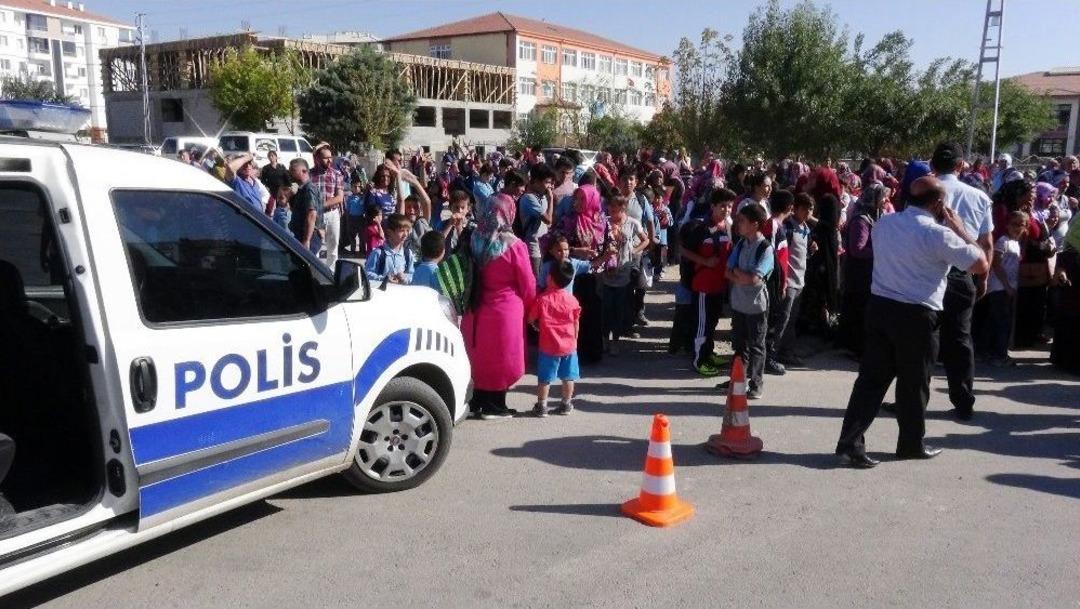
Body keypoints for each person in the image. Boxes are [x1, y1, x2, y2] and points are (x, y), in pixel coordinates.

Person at [835, 176, 989, 468]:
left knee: (870, 380)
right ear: (938, 204)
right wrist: (960, 228)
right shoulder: (937, 234)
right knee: (914, 382)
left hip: (881, 307)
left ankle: (849, 442)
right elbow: (981, 263)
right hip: (917, 314)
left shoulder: (885, 224)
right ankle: (910, 443)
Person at [462, 193, 537, 420]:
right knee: (503, 358)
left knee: (479, 356)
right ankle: (496, 405)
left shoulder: (473, 237)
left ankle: (478, 401)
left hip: (475, 307)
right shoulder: (514, 245)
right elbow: (527, 282)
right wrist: (533, 307)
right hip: (506, 309)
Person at [934, 142, 994, 421]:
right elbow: (987, 243)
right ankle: (963, 401)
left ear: (934, 165)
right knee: (960, 339)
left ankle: (911, 398)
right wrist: (983, 276)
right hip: (963, 272)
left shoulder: (924, 190)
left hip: (928, 272)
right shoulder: (978, 196)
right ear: (960, 166)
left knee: (923, 340)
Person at [681, 188, 735, 376]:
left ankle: (708, 353)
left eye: (729, 206)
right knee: (702, 324)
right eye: (723, 206)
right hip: (703, 286)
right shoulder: (701, 228)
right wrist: (705, 262)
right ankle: (699, 360)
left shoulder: (728, 227)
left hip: (719, 285)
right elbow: (684, 251)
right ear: (713, 206)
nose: (726, 210)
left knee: (712, 322)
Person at [725, 204, 774, 399]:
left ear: (755, 224)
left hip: (756, 307)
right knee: (739, 345)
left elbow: (754, 280)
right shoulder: (740, 244)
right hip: (738, 304)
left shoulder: (765, 248)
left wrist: (738, 274)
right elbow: (727, 271)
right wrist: (740, 275)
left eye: (743, 221)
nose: (739, 225)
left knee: (756, 346)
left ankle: (756, 383)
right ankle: (737, 380)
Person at [560, 184, 610, 363]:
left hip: (596, 274)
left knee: (594, 313)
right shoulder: (568, 220)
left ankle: (593, 353)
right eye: (576, 198)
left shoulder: (602, 221)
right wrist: (574, 250)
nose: (578, 202)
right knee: (576, 314)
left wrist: (609, 257)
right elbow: (555, 242)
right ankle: (574, 353)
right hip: (575, 275)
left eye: (583, 199)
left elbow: (609, 245)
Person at [837, 182, 887, 356]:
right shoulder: (861, 220)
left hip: (869, 272)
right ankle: (856, 348)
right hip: (859, 274)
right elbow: (857, 249)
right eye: (883, 197)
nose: (885, 200)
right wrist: (881, 253)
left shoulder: (875, 216)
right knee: (859, 309)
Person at [527, 260, 582, 417]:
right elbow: (576, 322)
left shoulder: (542, 300)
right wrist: (575, 340)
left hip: (548, 346)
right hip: (569, 346)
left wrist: (536, 326)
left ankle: (542, 406)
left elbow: (531, 319)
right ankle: (566, 404)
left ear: (549, 278)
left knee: (545, 378)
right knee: (568, 377)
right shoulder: (572, 300)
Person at [600, 196, 649, 356]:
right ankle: (604, 340)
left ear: (623, 209)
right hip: (606, 274)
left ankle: (615, 342)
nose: (612, 213)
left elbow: (645, 240)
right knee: (606, 310)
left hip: (623, 275)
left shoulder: (633, 223)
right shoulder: (604, 222)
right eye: (610, 209)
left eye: (616, 210)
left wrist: (634, 251)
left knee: (619, 310)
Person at [983, 211, 1026, 366]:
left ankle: (995, 352)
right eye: (1014, 224)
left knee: (1002, 321)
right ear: (1007, 225)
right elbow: (997, 264)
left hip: (1009, 287)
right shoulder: (1003, 241)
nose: (1018, 228)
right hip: (999, 287)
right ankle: (998, 355)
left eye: (1021, 225)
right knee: (1001, 321)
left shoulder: (1016, 243)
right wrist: (1007, 285)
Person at [776, 193, 814, 366]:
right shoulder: (788, 229)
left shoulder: (806, 229)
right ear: (795, 209)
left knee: (792, 319)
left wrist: (812, 248)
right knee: (784, 319)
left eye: (811, 209)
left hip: (800, 281)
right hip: (788, 282)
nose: (808, 213)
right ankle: (774, 353)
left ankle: (786, 352)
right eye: (805, 209)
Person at [763, 189, 795, 374]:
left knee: (774, 320)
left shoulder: (778, 226)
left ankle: (768, 357)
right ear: (790, 207)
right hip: (772, 283)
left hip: (779, 281)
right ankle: (767, 358)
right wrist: (778, 283)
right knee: (771, 321)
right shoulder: (773, 225)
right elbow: (770, 256)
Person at [1050, 211, 1080, 373]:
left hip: (1071, 263)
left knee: (1070, 315)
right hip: (1074, 265)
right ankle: (1070, 361)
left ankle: (1065, 359)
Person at [517, 164, 557, 278]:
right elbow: (548, 220)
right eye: (547, 182)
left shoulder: (542, 196)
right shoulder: (529, 198)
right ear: (535, 181)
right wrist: (551, 199)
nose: (549, 187)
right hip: (533, 248)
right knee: (536, 280)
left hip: (543, 247)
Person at [311, 145, 345, 268]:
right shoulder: (310, 175)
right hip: (315, 215)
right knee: (315, 246)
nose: (330, 160)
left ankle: (331, 273)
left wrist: (321, 204)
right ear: (318, 159)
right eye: (326, 158)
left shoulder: (337, 174)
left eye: (331, 157)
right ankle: (314, 273)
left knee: (333, 245)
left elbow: (339, 197)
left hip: (332, 214)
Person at [364, 213, 414, 285]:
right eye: (402, 231)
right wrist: (384, 279)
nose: (405, 234)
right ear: (390, 232)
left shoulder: (408, 254)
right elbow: (367, 274)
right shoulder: (378, 253)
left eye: (407, 230)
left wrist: (405, 278)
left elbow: (411, 274)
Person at [287, 158, 324, 256]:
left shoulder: (308, 189)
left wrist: (306, 240)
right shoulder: (301, 189)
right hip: (302, 235)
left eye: (293, 171)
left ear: (304, 171)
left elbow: (312, 214)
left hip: (308, 237)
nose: (290, 174)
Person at [440, 189, 475, 254]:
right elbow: (438, 244)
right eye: (456, 207)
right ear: (450, 208)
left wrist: (459, 228)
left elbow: (468, 248)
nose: (460, 211)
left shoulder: (472, 226)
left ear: (468, 208)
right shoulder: (444, 223)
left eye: (463, 207)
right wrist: (449, 225)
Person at [344, 180, 365, 255]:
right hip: (352, 218)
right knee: (352, 236)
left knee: (362, 236)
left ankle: (362, 250)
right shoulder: (350, 198)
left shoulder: (363, 197)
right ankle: (353, 250)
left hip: (360, 218)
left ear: (361, 187)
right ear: (351, 188)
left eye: (358, 186)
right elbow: (347, 210)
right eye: (354, 187)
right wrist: (347, 220)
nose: (356, 188)